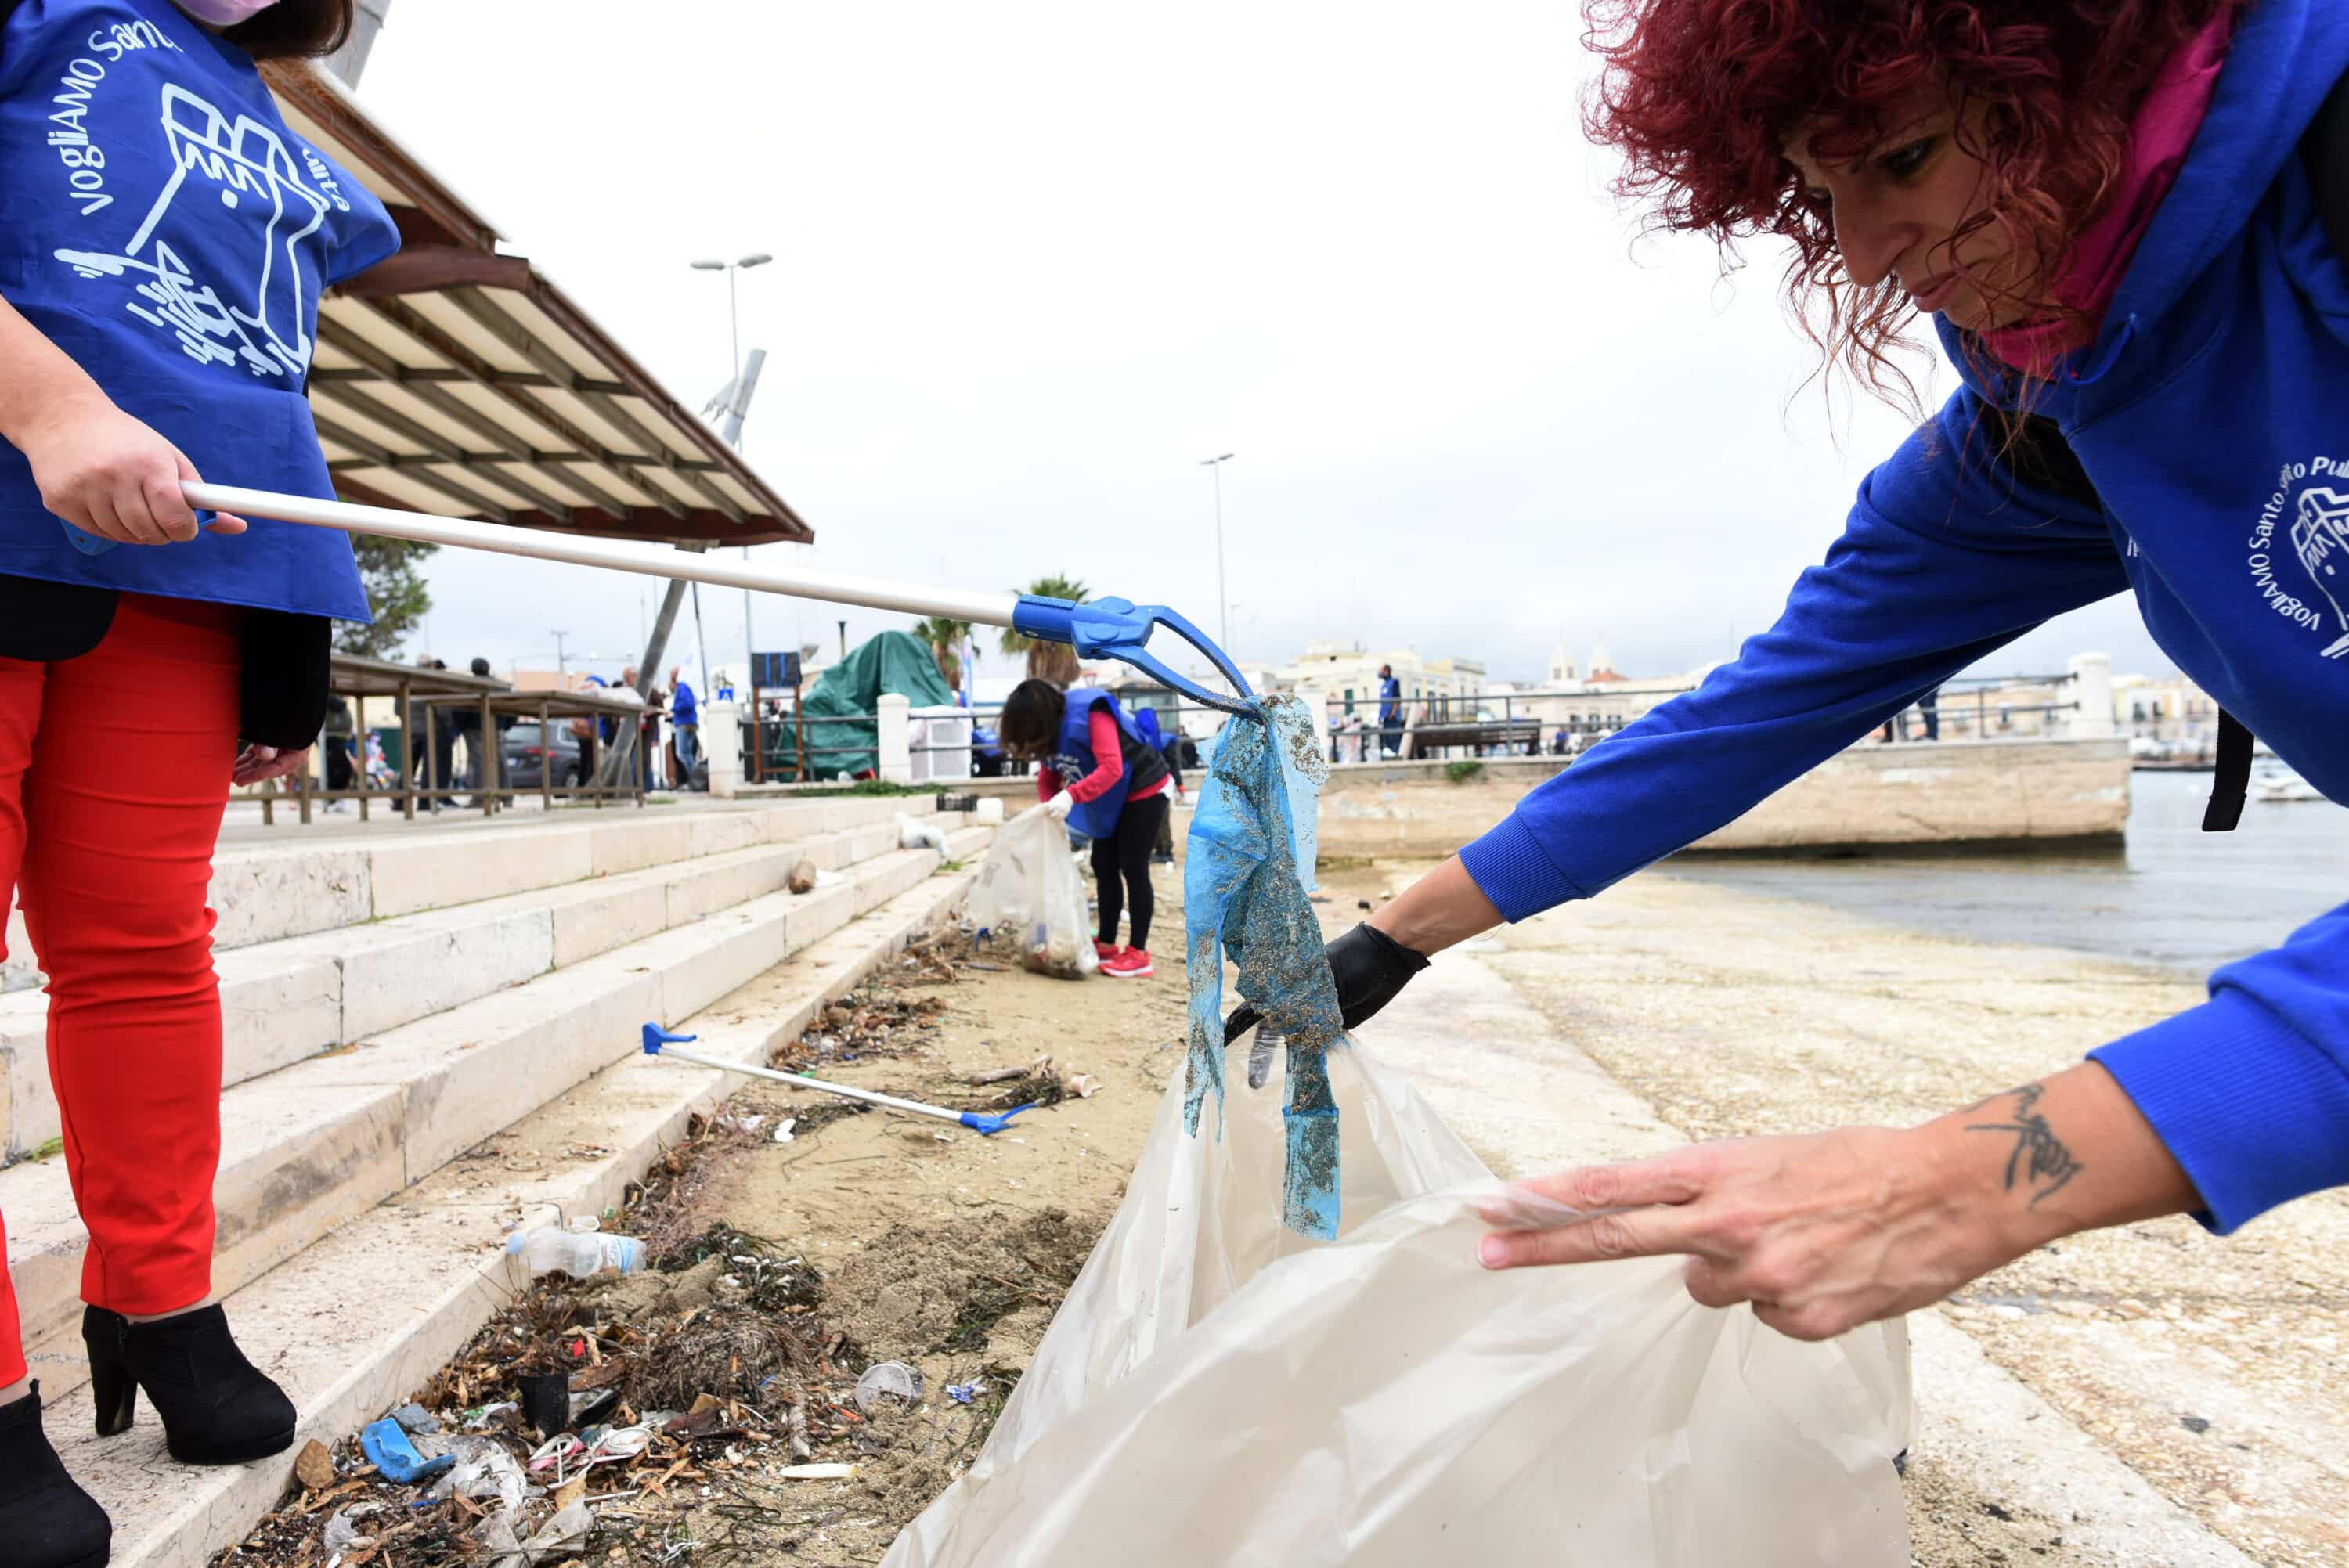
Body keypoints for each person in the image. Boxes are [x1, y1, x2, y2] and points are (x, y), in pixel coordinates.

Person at [1244, 0, 2349, 1346]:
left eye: (1904, 158)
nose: (1868, 254)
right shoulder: (2048, 410)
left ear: (2088, 75)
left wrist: (1965, 1177)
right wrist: (1397, 935)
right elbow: (1773, 697)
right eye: (1823, 193)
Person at [0, 3, 395, 1561]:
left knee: (149, 951)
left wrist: (290, 618)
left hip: (178, 576)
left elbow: (254, 369)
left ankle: (157, 1298)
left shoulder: (268, 113)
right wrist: (46, 405)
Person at [998, 679, 1172, 979]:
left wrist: (1071, 796)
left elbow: (1112, 768)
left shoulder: (1091, 713)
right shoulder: (1049, 737)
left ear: (1041, 719)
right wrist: (1050, 811)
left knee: (1132, 865)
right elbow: (1048, 777)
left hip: (1144, 787)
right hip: (1111, 797)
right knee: (1103, 864)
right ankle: (1106, 944)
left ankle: (1138, 954)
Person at [669, 664, 700, 788]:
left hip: (684, 724)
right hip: (687, 723)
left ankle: (694, 779)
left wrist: (673, 709)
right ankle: (695, 779)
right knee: (687, 753)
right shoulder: (684, 687)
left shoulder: (682, 687)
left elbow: (687, 703)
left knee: (683, 753)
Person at [1377, 664, 1404, 758]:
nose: (1379, 673)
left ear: (1386, 672)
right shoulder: (1383, 686)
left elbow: (1397, 699)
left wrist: (1392, 713)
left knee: (1394, 740)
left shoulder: (1394, 682)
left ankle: (1396, 758)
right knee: (1386, 740)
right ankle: (1388, 758)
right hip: (1385, 718)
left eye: (1381, 671)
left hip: (1393, 717)